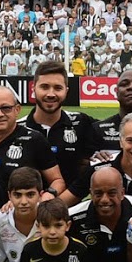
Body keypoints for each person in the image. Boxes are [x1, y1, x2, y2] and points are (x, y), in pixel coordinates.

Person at [21, 60, 98, 204]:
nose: (51, 94)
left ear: (66, 91)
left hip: (71, 211)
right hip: (28, 212)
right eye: (44, 87)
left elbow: (116, 129)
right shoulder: (19, 129)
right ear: (33, 88)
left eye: (58, 88)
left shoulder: (81, 122)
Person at [0, 85, 66, 197]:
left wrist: (47, 196)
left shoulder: (34, 140)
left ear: (17, 110)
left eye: (6, 108)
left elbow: (57, 181)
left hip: (20, 212)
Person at [91, 68, 132, 161]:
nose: (131, 87)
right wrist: (94, 160)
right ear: (117, 94)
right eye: (124, 84)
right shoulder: (97, 130)